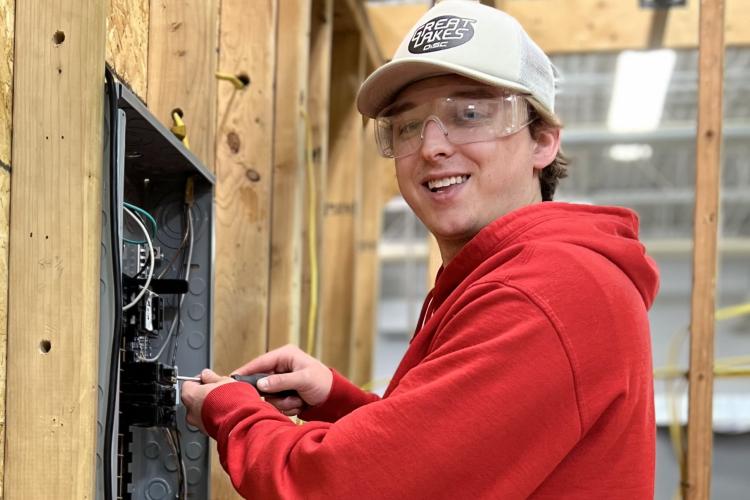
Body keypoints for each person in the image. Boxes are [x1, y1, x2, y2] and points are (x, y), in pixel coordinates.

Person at [181, 1, 659, 498]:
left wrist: (232, 409)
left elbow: (339, 489)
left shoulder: (544, 293)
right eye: (408, 126)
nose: (432, 146)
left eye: (469, 114)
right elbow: (447, 468)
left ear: (543, 142)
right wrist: (338, 402)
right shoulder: (510, 276)